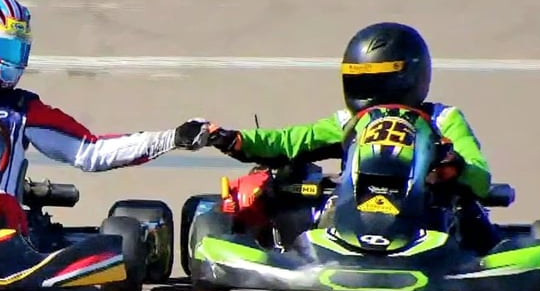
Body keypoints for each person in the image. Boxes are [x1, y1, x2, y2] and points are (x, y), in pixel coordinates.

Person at [0, 0, 210, 232]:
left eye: (16, 50)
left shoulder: (22, 109)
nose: (12, 59)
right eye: (1, 48)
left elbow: (90, 152)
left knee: (11, 210)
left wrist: (171, 138)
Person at [205, 21, 499, 254]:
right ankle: (299, 243)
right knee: (280, 180)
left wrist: (455, 168)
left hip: (429, 215)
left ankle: (478, 251)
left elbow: (481, 177)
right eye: (360, 81)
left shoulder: (442, 120)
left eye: (378, 80)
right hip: (350, 209)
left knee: (466, 204)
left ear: (408, 77)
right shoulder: (350, 122)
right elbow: (291, 140)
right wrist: (238, 140)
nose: (370, 91)